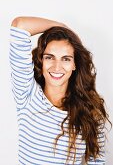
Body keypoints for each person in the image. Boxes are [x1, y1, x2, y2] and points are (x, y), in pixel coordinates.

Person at [9, 16, 110, 165]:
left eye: (66, 59)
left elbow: (97, 160)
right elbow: (20, 25)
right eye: (50, 57)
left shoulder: (90, 111)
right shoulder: (27, 93)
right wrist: (61, 26)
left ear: (75, 64)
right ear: (41, 61)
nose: (57, 67)